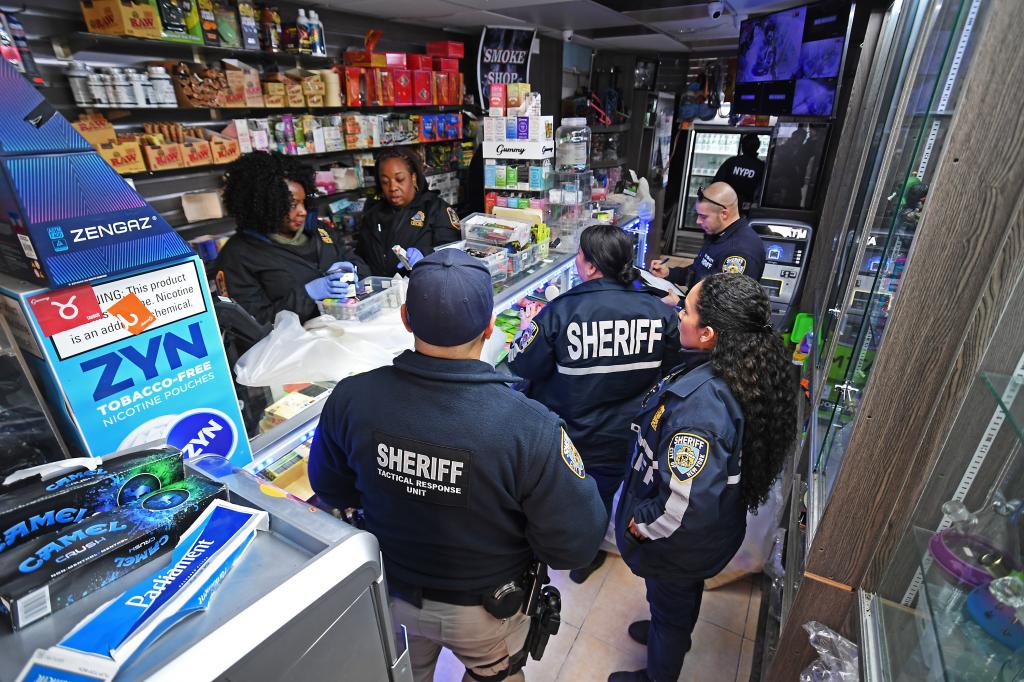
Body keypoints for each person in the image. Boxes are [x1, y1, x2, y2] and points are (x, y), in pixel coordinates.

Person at [308, 249, 607, 682]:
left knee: (405, 672)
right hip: (486, 608)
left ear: (407, 319)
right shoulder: (531, 428)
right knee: (494, 674)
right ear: (489, 328)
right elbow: (574, 544)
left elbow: (331, 490)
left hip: (388, 592)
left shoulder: (351, 399)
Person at [608, 273, 797, 682]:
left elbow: (681, 508)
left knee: (672, 604)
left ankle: (660, 669)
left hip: (678, 546)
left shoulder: (700, 413)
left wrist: (640, 525)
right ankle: (669, 628)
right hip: (699, 543)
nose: (678, 313)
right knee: (674, 601)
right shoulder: (733, 366)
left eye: (686, 310)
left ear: (709, 333)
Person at [507, 224, 681, 584]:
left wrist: (527, 326)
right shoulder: (659, 313)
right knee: (600, 495)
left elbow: (522, 364)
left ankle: (548, 549)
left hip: (568, 435)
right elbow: (670, 367)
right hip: (623, 436)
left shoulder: (560, 311)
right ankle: (586, 555)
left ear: (587, 265)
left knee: (557, 491)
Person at [215, 151, 368, 325]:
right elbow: (252, 324)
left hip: (342, 331)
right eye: (292, 205)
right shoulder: (238, 255)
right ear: (265, 204)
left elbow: (358, 264)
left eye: (303, 202)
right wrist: (308, 294)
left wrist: (353, 272)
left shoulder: (319, 231)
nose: (302, 211)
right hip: (293, 347)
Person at [356, 147, 462, 277]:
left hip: (422, 291)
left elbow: (453, 251)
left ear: (413, 178)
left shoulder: (436, 210)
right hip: (380, 293)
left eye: (400, 179)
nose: (392, 187)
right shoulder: (373, 213)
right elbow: (361, 256)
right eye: (385, 182)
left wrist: (426, 254)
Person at [650, 182, 765, 297]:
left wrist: (679, 303)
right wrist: (670, 273)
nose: (698, 221)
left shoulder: (740, 251)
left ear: (724, 214)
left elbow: (726, 305)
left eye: (703, 216)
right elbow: (698, 271)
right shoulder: (718, 233)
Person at [712, 133, 765, 211]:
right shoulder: (761, 166)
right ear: (757, 147)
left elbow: (717, 182)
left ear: (742, 147)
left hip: (727, 205)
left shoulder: (732, 161)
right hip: (747, 208)